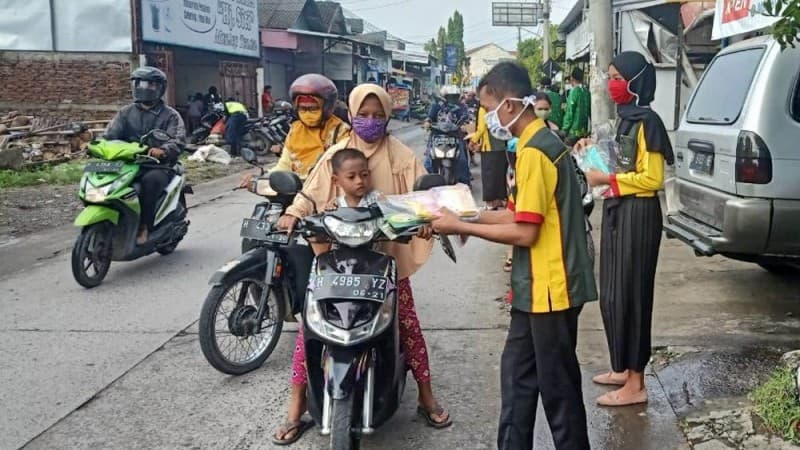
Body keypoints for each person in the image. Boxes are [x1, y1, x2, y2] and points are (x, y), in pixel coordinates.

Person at [272, 83, 451, 445]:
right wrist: (292, 214)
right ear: (351, 115)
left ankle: (426, 396)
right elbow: (308, 194)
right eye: (363, 115)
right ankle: (296, 405)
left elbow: (423, 198)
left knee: (408, 324)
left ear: (388, 116)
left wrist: (429, 218)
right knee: (310, 327)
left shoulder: (401, 155)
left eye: (378, 115)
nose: (370, 122)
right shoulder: (336, 155)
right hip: (334, 262)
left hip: (384, 259)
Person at [431, 61, 596, 450]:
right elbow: (520, 213)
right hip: (534, 289)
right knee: (517, 376)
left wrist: (462, 227)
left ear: (508, 106)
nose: (487, 119)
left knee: (557, 389)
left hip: (550, 289)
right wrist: (469, 214)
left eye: (488, 110)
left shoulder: (537, 152)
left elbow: (526, 231)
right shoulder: (535, 144)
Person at [582, 51, 674, 407]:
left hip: (638, 214)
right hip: (618, 210)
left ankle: (636, 384)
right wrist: (589, 154)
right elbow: (617, 161)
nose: (612, 83)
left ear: (636, 82)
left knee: (632, 296)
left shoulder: (648, 123)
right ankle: (622, 367)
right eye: (610, 76)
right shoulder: (624, 120)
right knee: (613, 294)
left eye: (618, 76)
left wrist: (605, 178)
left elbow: (652, 179)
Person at [104, 66, 185, 245]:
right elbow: (110, 135)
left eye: (150, 85)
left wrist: (163, 150)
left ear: (160, 88)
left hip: (158, 165)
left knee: (148, 184)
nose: (144, 88)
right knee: (106, 183)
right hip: (128, 163)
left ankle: (144, 226)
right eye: (139, 83)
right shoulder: (125, 113)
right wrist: (96, 145)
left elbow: (178, 140)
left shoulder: (171, 115)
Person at [424, 85, 471, 186]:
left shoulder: (461, 107)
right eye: (450, 96)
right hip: (437, 136)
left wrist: (465, 126)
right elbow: (430, 117)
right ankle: (427, 183)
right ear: (444, 96)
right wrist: (427, 123)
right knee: (428, 161)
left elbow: (466, 119)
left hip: (455, 136)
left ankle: (465, 183)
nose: (452, 99)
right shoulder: (436, 105)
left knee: (462, 160)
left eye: (454, 96)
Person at [470, 106, 508, 209]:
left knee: (489, 176)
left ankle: (491, 203)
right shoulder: (502, 106)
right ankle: (501, 200)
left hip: (490, 147)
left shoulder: (484, 108)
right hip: (503, 145)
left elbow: (482, 128)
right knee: (500, 174)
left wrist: (473, 140)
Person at [563, 68, 591, 140]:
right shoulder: (587, 92)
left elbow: (570, 112)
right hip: (584, 131)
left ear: (572, 78)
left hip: (573, 132)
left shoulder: (574, 92)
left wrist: (564, 129)